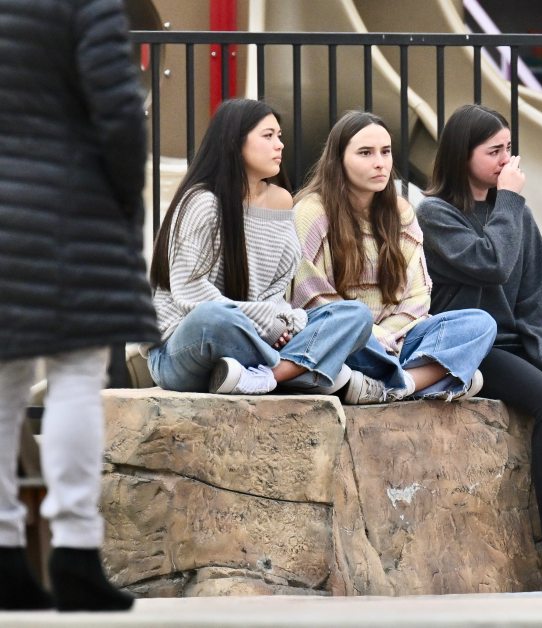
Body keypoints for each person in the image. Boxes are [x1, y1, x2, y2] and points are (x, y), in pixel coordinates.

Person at [0, 0, 157, 612]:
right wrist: (122, 199)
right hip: (68, 204)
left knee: (3, 386)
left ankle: (5, 558)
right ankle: (76, 554)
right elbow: (119, 112)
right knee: (75, 375)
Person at [416, 104, 542, 580]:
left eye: (508, 149)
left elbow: (538, 295)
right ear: (462, 154)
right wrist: (508, 199)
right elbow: (492, 264)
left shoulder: (516, 213)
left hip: (521, 343)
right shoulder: (435, 214)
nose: (506, 160)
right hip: (473, 347)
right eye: (494, 151)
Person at [147, 99, 377, 403]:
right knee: (214, 317)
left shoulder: (281, 201)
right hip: (183, 350)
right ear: (234, 142)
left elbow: (276, 291)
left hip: (254, 348)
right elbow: (190, 293)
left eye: (279, 136)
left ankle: (268, 377)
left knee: (354, 314)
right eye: (268, 136)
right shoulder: (202, 202)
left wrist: (281, 322)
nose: (279, 145)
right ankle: (306, 372)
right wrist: (268, 325)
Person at [291, 111, 495, 403]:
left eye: (385, 152)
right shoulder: (311, 211)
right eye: (365, 153)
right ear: (339, 159)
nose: (380, 163)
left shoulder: (401, 212)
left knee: (480, 324)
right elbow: (308, 295)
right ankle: (429, 378)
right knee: (353, 319)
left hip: (397, 341)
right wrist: (370, 335)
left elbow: (418, 297)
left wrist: (387, 339)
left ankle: (396, 385)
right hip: (344, 340)